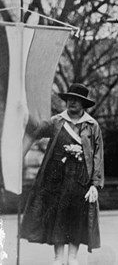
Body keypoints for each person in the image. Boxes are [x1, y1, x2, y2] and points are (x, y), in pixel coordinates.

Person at [21, 83, 104, 265]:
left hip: (81, 178)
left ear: (83, 104)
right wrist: (23, 115)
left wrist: (95, 184)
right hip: (56, 177)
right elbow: (35, 131)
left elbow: (98, 155)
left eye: (77, 100)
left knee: (76, 216)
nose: (72, 103)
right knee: (58, 215)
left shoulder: (92, 126)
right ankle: (58, 258)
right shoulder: (56, 121)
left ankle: (73, 257)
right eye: (70, 99)